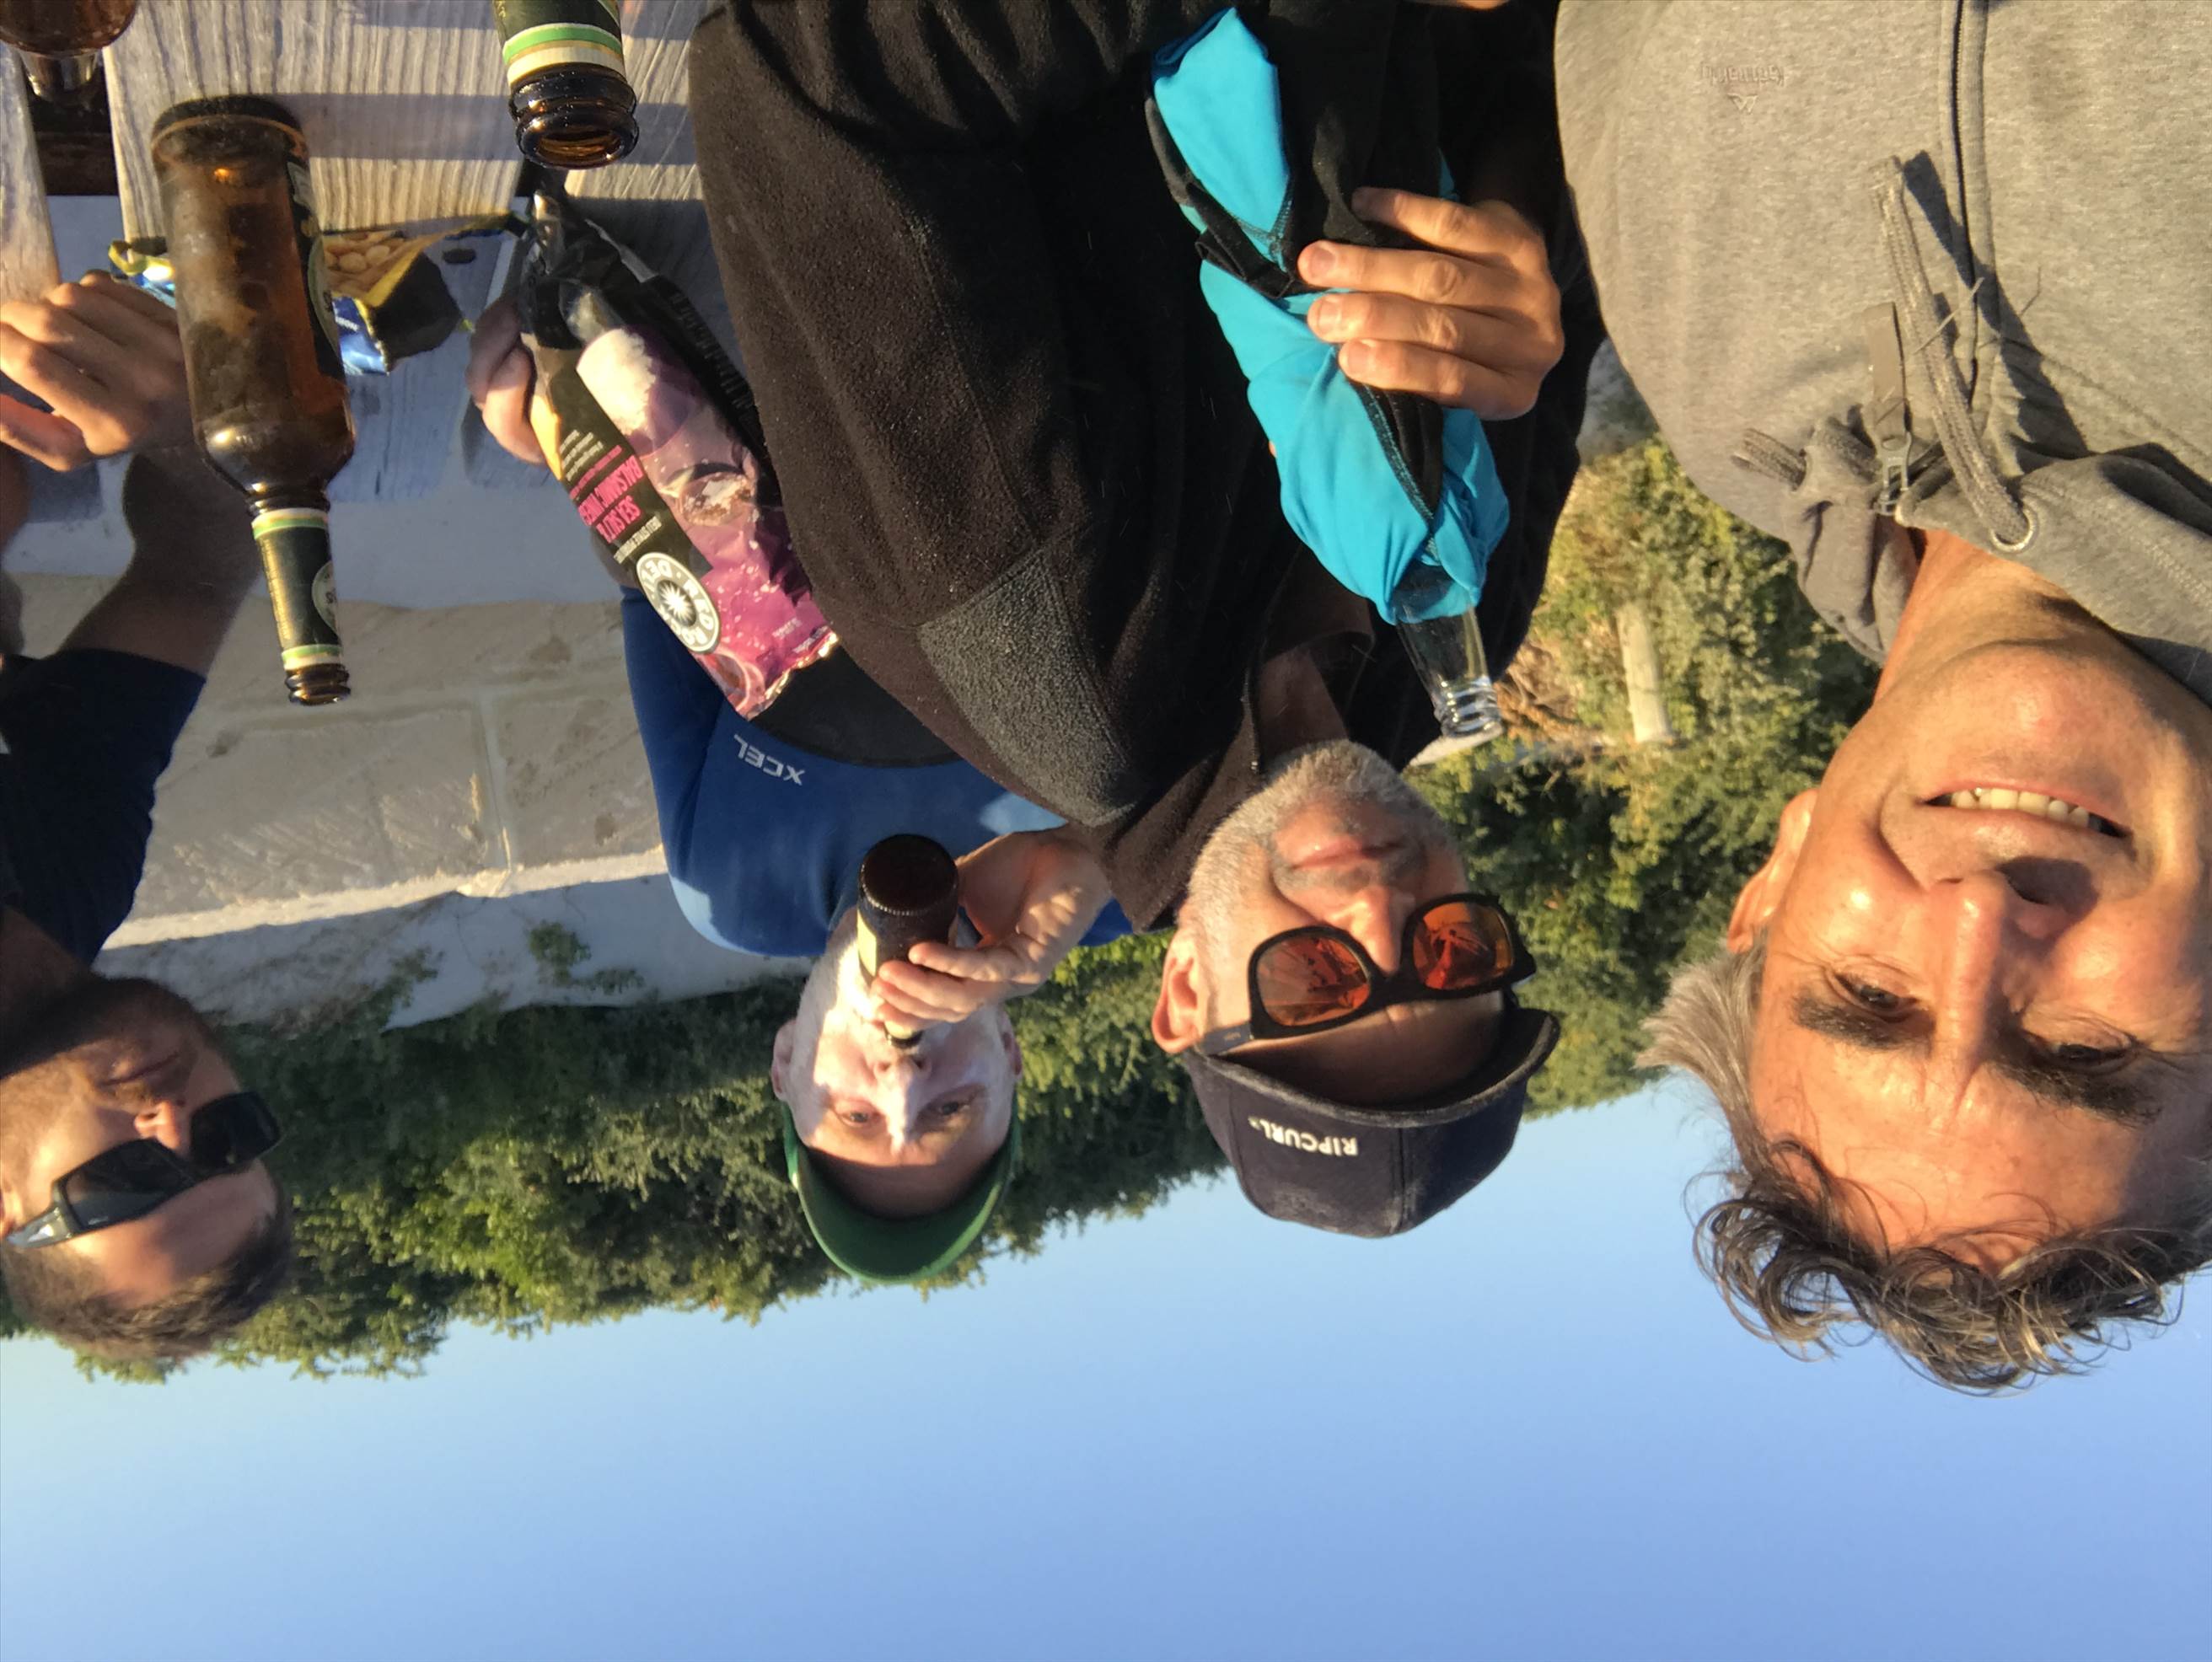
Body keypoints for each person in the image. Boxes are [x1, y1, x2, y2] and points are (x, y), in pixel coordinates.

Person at [683, 0, 1593, 1231]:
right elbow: (1537, 104)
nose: (1380, 912)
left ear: (1184, 993)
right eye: (1450, 958)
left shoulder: (1033, 644)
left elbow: (807, 86)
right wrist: (1523, 248)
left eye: (1314, 984)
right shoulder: (1462, 633)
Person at [1543, 0, 2212, 1386]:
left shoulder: (1710, 396)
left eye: (1864, 994)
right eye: (2083, 1052)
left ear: (1771, 885)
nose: (1978, 923)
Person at [468, 302, 1126, 1282]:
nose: (903, 1078)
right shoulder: (1125, 885)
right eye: (951, 1107)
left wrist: (564, 446)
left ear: (787, 1062)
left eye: (854, 1112)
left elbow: (653, 593)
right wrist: (1095, 843)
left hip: (714, 330)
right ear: (1010, 1057)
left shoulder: (726, 889)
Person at [0, 273, 293, 1359]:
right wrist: (192, 438)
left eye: (126, 1181)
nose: (174, 1119)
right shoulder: (72, 887)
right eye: (228, 1139)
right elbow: (191, 581)